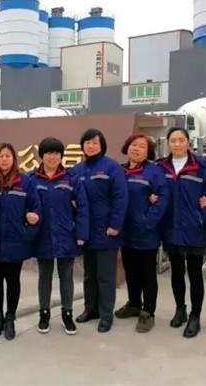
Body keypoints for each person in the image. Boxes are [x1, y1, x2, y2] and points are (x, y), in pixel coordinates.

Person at [156, 127, 206, 338]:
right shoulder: (161, 167)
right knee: (177, 271)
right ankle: (180, 309)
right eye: (173, 140)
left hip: (195, 228)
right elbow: (154, 190)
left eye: (181, 140)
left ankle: (195, 316)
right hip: (171, 228)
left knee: (195, 274)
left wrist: (204, 214)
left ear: (189, 142)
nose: (177, 144)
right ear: (168, 143)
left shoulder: (202, 166)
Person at [29, 137, 89, 335]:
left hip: (66, 235)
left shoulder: (71, 178)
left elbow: (82, 207)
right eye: (49, 153)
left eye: (56, 153)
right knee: (44, 276)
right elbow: (25, 206)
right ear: (42, 155)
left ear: (61, 156)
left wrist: (81, 234)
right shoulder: (32, 179)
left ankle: (67, 314)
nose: (53, 157)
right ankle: (44, 314)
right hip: (42, 236)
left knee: (66, 276)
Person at [71, 128, 129, 333]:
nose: (91, 146)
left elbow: (121, 197)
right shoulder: (77, 170)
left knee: (106, 276)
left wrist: (115, 225)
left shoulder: (112, 167)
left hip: (106, 231)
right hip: (86, 232)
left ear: (102, 145)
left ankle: (106, 315)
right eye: (87, 142)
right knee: (89, 274)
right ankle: (91, 309)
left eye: (95, 142)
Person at [0, 143, 42, 340]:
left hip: (16, 243)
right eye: (0, 156)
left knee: (13, 282)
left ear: (13, 159)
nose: (4, 159)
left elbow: (36, 210)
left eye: (7, 156)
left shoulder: (25, 182)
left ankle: (10, 318)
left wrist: (27, 234)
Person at [115, 133, 169, 333]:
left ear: (148, 152)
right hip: (125, 232)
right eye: (133, 145)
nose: (136, 149)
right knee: (130, 271)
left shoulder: (154, 172)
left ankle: (148, 312)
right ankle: (134, 304)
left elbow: (163, 198)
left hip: (146, 234)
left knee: (147, 274)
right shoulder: (119, 171)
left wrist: (148, 222)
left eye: (142, 146)